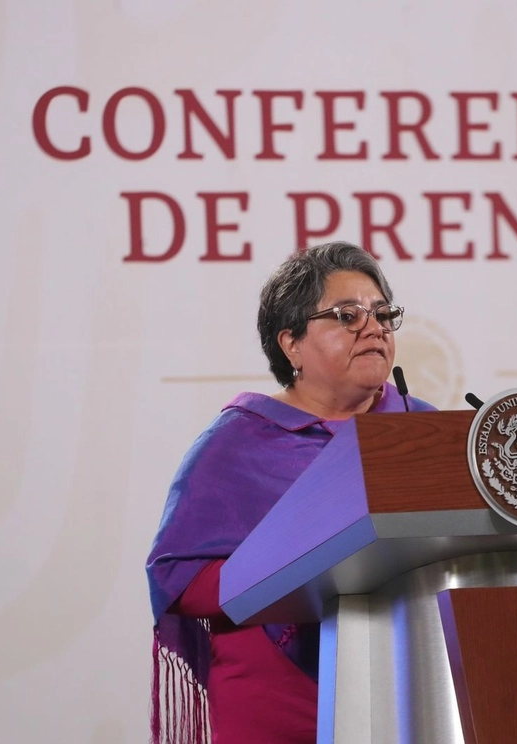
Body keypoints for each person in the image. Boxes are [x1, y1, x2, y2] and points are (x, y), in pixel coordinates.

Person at [146, 241, 436, 743]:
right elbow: (180, 579)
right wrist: (304, 569)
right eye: (347, 316)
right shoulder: (239, 441)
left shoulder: (425, 430)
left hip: (414, 679)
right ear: (292, 344)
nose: (374, 328)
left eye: (383, 314)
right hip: (281, 696)